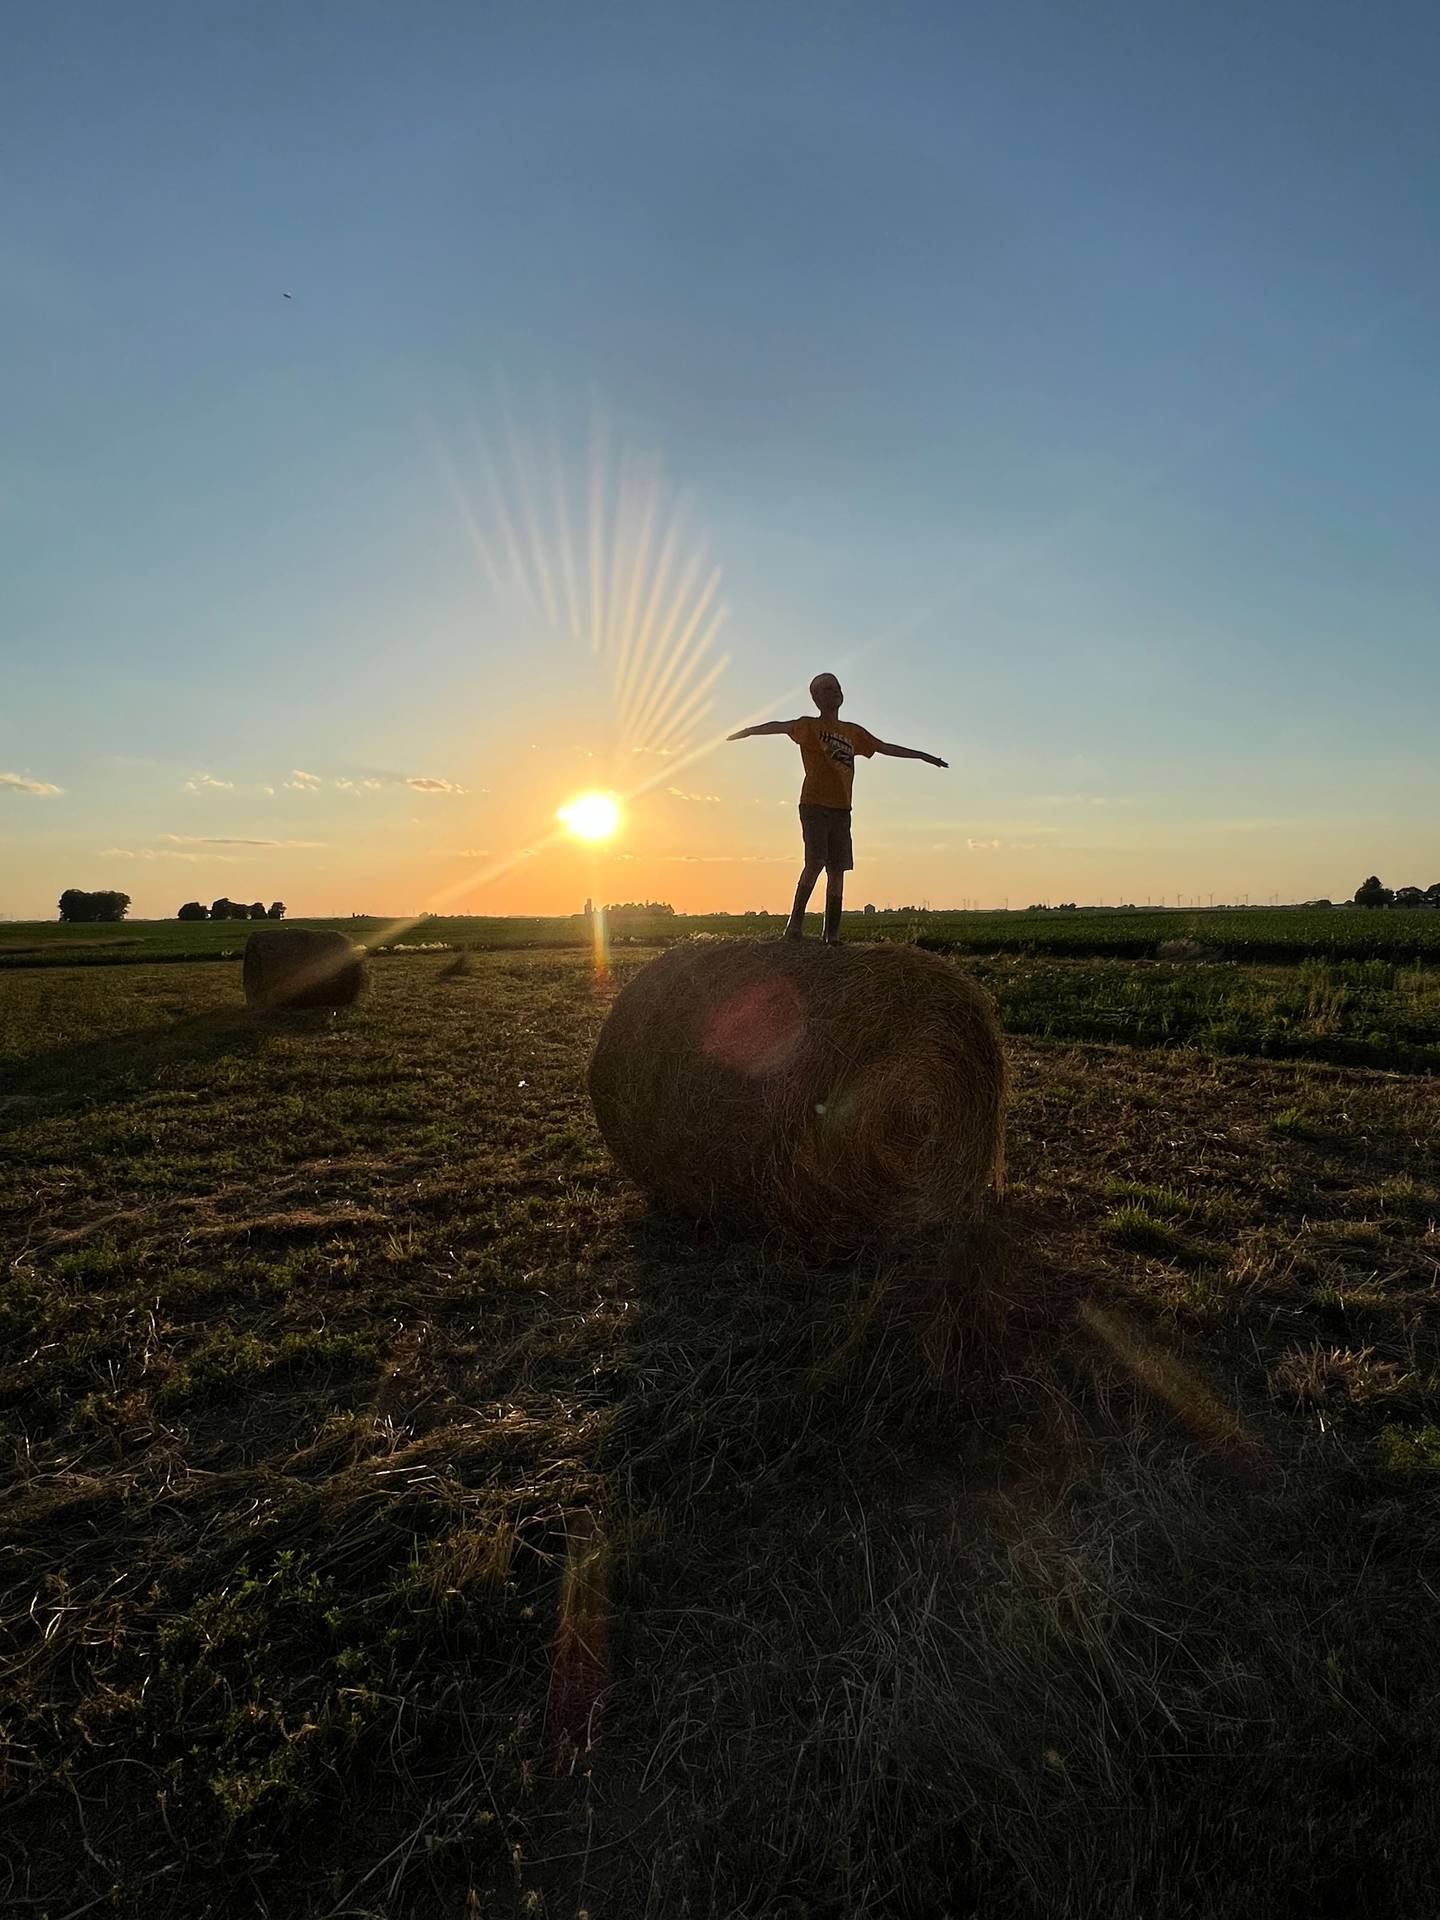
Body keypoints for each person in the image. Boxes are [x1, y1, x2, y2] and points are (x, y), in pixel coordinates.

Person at [728, 672, 947, 943]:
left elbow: (884, 746)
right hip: (814, 804)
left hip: (842, 809)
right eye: (828, 688)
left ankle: (831, 935)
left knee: (837, 868)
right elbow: (779, 726)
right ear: (816, 697)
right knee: (815, 862)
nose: (835, 692)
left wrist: (923, 756)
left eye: (838, 688)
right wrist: (749, 731)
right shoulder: (807, 725)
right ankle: (793, 927)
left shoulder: (853, 732)